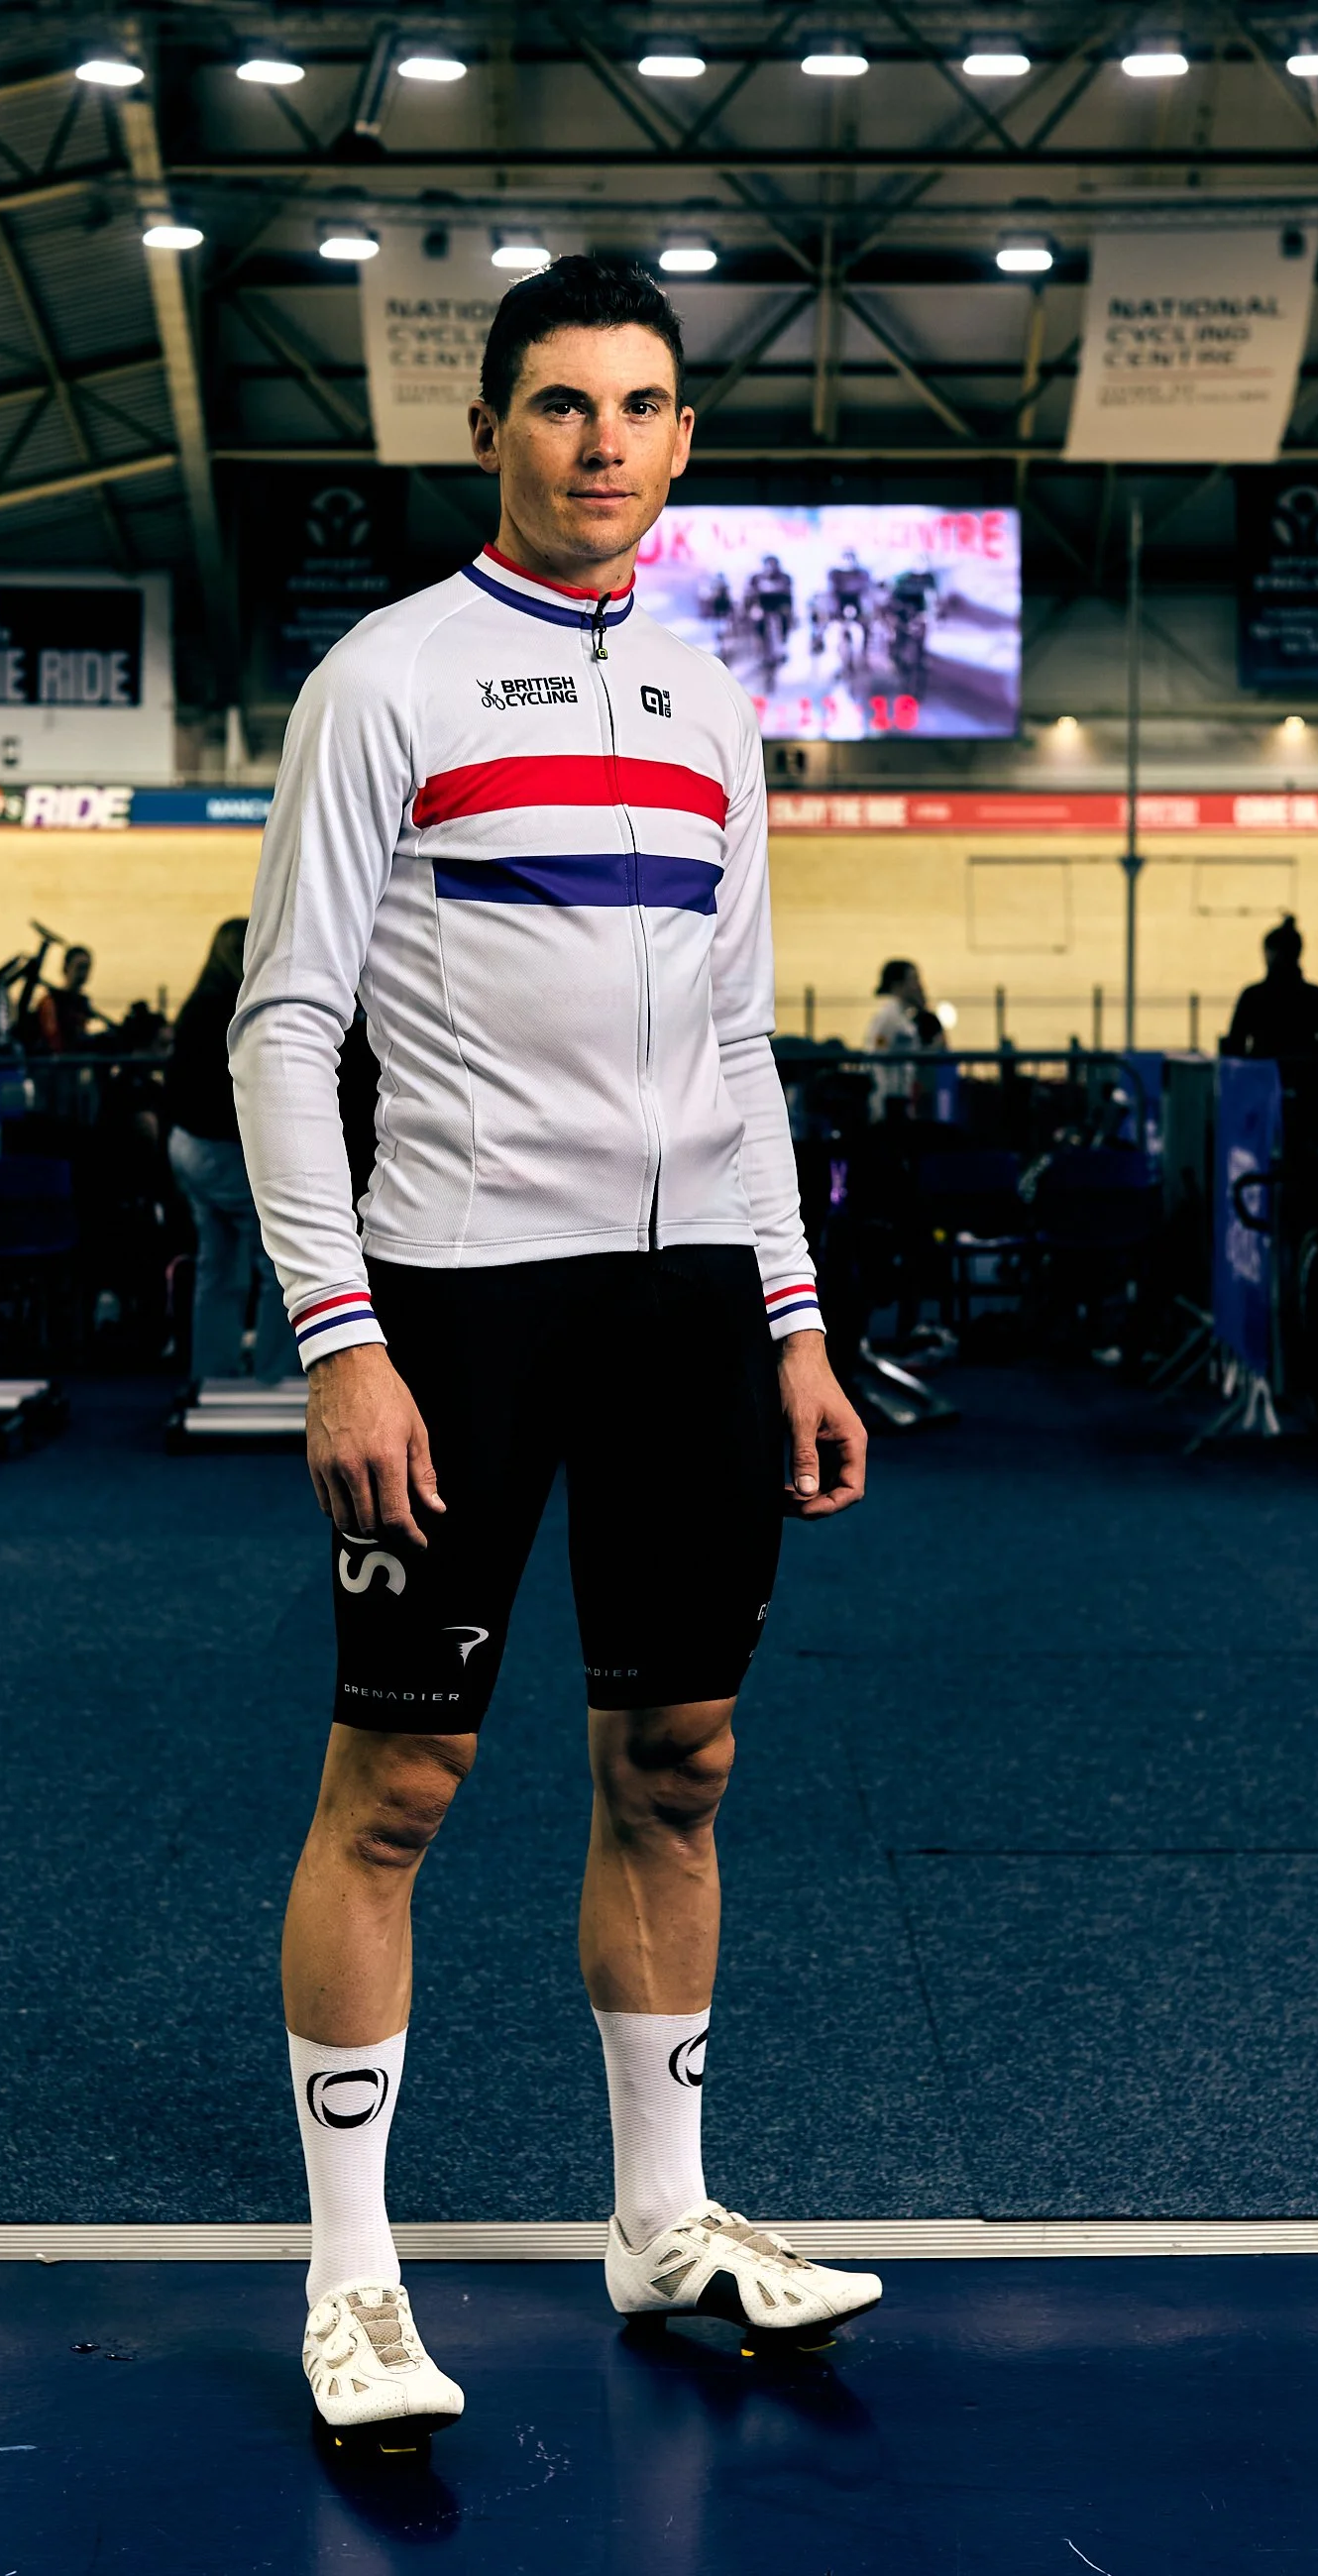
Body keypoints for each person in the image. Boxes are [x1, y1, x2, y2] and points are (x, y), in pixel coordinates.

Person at [230, 253, 878, 2453]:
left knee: (674, 1763)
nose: (602, 439)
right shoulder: (386, 681)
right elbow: (284, 1024)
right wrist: (339, 1337)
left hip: (690, 1297)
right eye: (558, 404)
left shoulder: (712, 710)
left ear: (681, 443)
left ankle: (662, 2221)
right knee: (399, 1782)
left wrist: (789, 1320)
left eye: (638, 406)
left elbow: (738, 1040)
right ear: (491, 432)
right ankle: (347, 2277)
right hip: (459, 1300)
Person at [165, 921, 291, 1383]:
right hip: (220, 1150)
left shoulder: (200, 1004)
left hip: (189, 1147)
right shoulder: (232, 1009)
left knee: (217, 1265)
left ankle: (211, 1372)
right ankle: (277, 1377)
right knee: (278, 1262)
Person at [1224, 916, 1318, 1062]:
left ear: (1269, 953)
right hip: (1306, 1079)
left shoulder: (1253, 996)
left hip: (1264, 1079)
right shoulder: (1316, 996)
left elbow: (1235, 1046)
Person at [863, 959, 940, 1118]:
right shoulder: (889, 1016)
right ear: (898, 985)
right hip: (888, 1097)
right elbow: (877, 1052)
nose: (918, 985)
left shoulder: (903, 1016)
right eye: (913, 979)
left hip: (902, 1095)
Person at [34, 946, 96, 1053]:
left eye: (86, 968)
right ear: (66, 968)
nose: (83, 974)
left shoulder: (82, 1002)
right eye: (79, 967)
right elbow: (53, 1038)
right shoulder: (50, 1001)